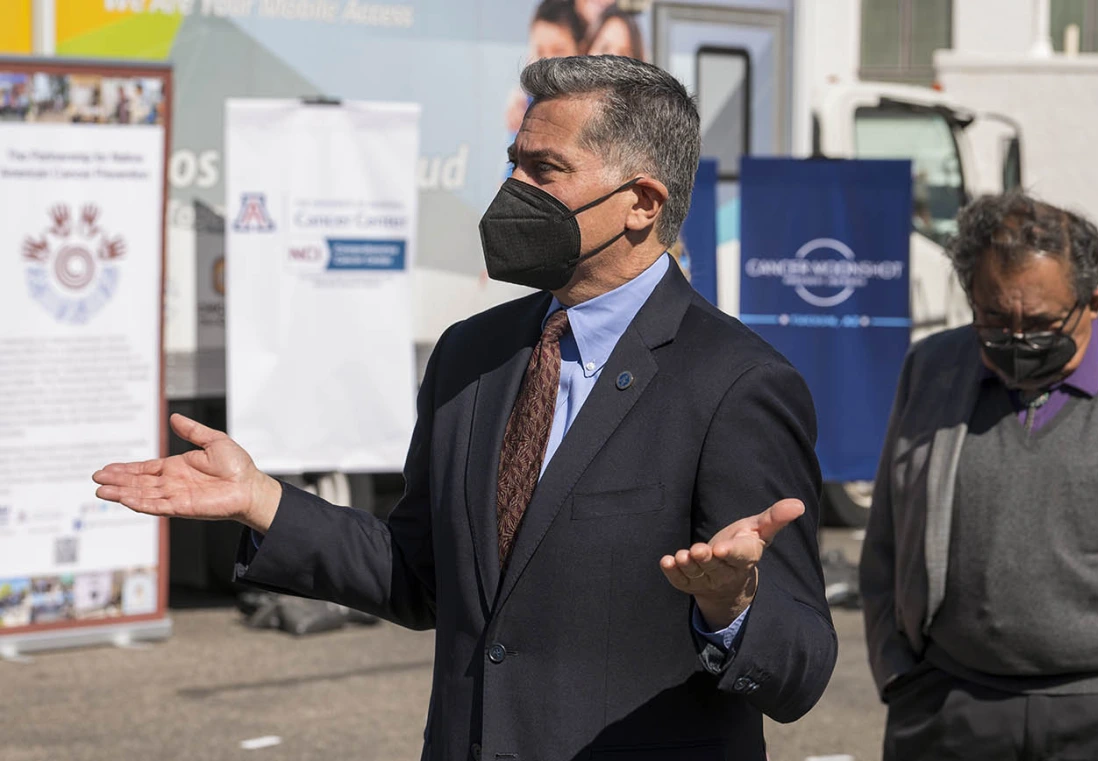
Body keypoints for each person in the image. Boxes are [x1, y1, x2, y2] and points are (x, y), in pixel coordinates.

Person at [94, 55, 836, 760]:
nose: (513, 186)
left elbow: (800, 664)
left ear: (642, 202)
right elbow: (420, 575)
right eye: (514, 161)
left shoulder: (736, 382)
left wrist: (732, 607)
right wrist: (263, 503)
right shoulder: (472, 355)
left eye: (544, 169)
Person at [860, 192, 1098, 760]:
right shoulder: (932, 367)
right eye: (993, 320)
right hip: (953, 704)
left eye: (1039, 324)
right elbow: (888, 538)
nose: (1015, 341)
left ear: (1092, 301)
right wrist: (897, 674)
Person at [505, 0, 587, 135]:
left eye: (558, 51)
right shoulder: (523, 109)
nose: (546, 63)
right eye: (539, 51)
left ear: (582, 51)